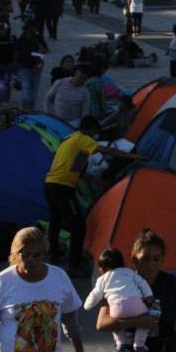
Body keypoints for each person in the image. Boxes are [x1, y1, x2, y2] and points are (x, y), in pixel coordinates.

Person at [45, 115, 145, 274]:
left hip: (50, 185)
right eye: (93, 132)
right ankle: (74, 266)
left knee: (56, 220)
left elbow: (79, 172)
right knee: (78, 225)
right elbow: (106, 150)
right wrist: (131, 156)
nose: (94, 136)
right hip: (62, 188)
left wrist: (100, 183)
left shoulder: (70, 140)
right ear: (89, 129)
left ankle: (55, 253)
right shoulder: (83, 138)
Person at [84, 247, 154, 352]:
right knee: (146, 317)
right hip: (136, 305)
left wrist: (87, 305)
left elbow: (95, 294)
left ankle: (121, 342)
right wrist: (149, 295)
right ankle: (139, 342)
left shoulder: (102, 279)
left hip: (117, 308)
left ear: (101, 269)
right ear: (123, 264)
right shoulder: (130, 272)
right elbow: (142, 283)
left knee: (115, 322)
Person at [14, 21, 48, 110]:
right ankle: (25, 107)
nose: (34, 30)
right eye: (33, 28)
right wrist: (15, 65)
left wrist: (40, 54)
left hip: (36, 68)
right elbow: (17, 53)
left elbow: (46, 50)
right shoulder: (21, 39)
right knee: (26, 87)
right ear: (27, 28)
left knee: (34, 90)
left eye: (35, 28)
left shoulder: (38, 38)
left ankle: (31, 106)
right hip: (24, 68)